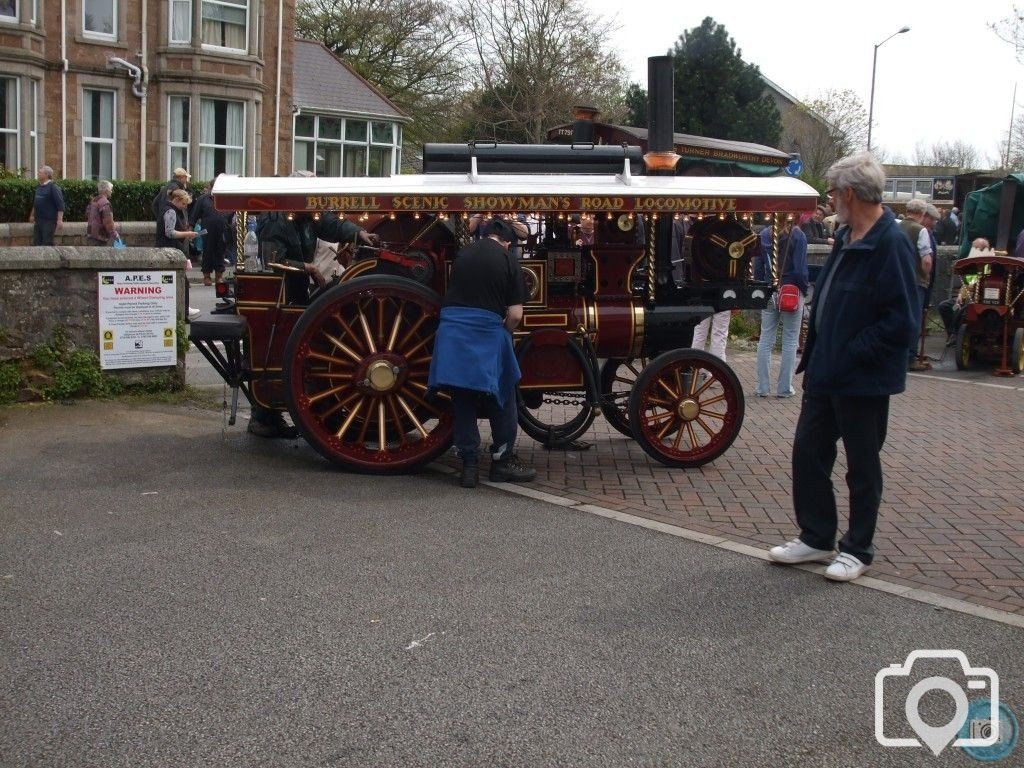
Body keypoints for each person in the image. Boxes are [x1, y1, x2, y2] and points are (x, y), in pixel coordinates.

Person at [768, 152, 918, 582]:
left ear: (850, 193)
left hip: (861, 379)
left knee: (861, 465)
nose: (831, 199)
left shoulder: (891, 243)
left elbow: (902, 321)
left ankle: (858, 548)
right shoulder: (846, 237)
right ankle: (817, 537)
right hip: (825, 373)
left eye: (834, 192)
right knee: (808, 454)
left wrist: (852, 352)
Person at [428, 217, 536, 488]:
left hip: (452, 332)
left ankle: (469, 465)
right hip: (485, 332)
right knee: (502, 394)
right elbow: (515, 314)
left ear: (485, 235)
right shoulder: (508, 259)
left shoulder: (463, 254)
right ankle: (501, 461)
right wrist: (504, 332)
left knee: (463, 396)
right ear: (508, 242)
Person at [754, 217, 808, 397]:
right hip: (791, 290)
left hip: (769, 289)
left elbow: (758, 266)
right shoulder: (798, 235)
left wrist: (762, 283)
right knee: (790, 339)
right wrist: (803, 288)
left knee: (766, 337)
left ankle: (762, 386)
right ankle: (785, 387)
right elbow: (800, 269)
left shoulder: (764, 234)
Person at [899, 199, 934, 369]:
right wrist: (925, 276)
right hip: (915, 281)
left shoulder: (895, 226)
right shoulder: (921, 230)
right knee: (914, 318)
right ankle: (909, 358)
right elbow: (926, 261)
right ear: (922, 214)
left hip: (896, 279)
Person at [157, 189, 200, 321]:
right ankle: (183, 312)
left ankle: (184, 310)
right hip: (170, 250)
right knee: (182, 282)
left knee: (179, 281)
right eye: (183, 203)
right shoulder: (171, 211)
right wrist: (188, 234)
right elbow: (170, 233)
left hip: (168, 249)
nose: (185, 207)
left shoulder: (166, 208)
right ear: (176, 200)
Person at [190, 178, 230, 285]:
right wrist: (190, 227)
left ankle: (219, 276)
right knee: (207, 252)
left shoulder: (226, 199)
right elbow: (195, 214)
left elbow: (231, 214)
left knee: (220, 253)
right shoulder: (203, 199)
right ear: (211, 187)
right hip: (207, 230)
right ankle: (207, 276)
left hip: (222, 230)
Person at [28, 165, 65, 245]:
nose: (38, 174)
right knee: (37, 242)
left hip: (49, 221)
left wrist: (59, 220)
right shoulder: (39, 187)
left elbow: (60, 205)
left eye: (40, 172)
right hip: (38, 220)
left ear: (46, 175)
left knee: (46, 242)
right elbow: (36, 203)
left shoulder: (53, 187)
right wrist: (32, 215)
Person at [153, 167, 191, 243]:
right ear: (180, 177)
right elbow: (170, 232)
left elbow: (155, 204)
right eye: (185, 177)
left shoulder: (166, 187)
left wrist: (160, 217)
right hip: (172, 240)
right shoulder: (176, 189)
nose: (186, 180)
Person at [85, 180, 117, 246]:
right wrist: (116, 236)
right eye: (110, 189)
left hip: (90, 235)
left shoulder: (93, 201)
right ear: (106, 191)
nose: (111, 191)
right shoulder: (105, 203)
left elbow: (87, 214)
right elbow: (108, 223)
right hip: (100, 237)